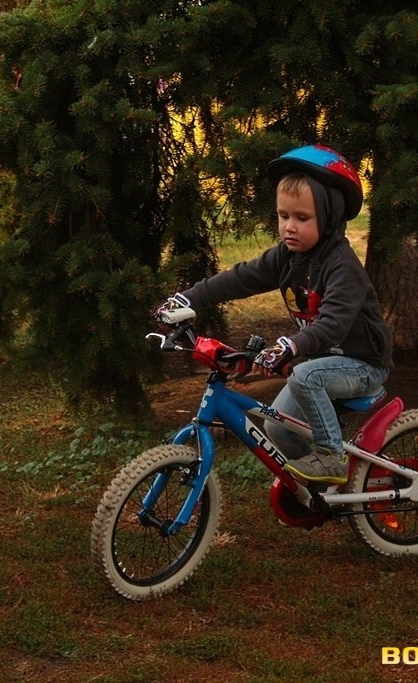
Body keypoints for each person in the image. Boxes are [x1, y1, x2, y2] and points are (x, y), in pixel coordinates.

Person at [157, 145, 394, 485]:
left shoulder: (342, 268)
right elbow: (240, 278)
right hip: (323, 362)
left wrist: (292, 346)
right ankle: (317, 494)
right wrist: (187, 299)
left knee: (305, 376)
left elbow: (332, 325)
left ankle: (331, 457)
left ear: (329, 218)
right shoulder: (286, 257)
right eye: (284, 216)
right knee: (277, 427)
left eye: (302, 218)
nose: (289, 227)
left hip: (363, 364)